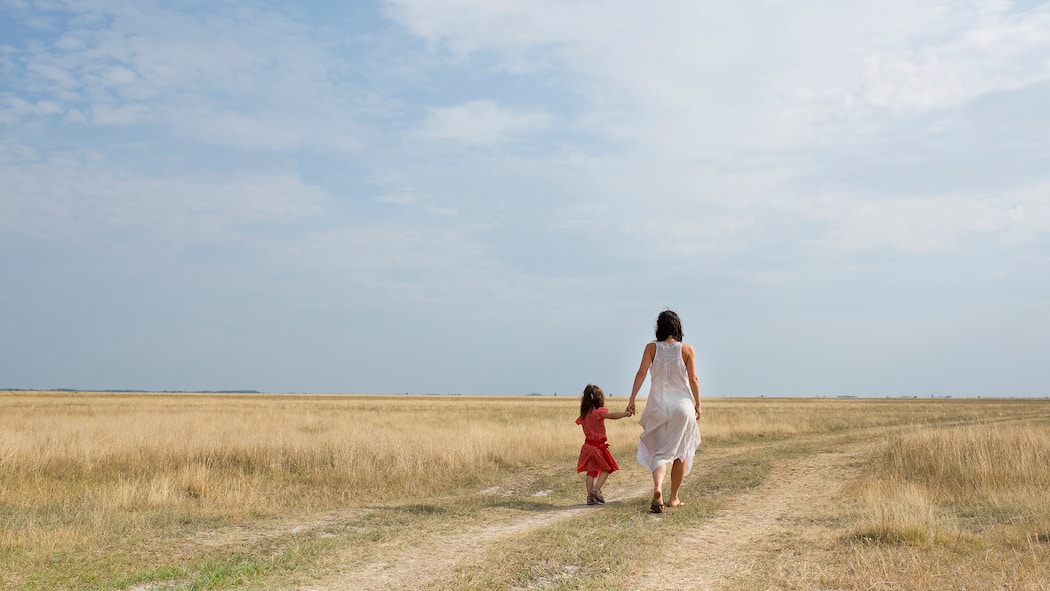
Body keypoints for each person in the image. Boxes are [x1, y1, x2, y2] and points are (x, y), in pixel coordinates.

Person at [626, 310, 702, 513]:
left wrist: (632, 399)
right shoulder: (686, 349)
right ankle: (673, 498)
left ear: (659, 327)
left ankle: (658, 488)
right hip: (682, 407)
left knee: (659, 451)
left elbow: (641, 373)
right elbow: (694, 379)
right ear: (677, 327)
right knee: (681, 452)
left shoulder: (651, 348)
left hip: (658, 405)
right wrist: (698, 404)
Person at [576, 384, 633, 505]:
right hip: (597, 447)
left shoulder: (583, 415)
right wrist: (626, 414)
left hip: (587, 446)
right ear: (598, 399)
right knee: (607, 468)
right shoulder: (598, 412)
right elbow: (613, 415)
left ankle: (590, 497)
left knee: (591, 472)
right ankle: (596, 490)